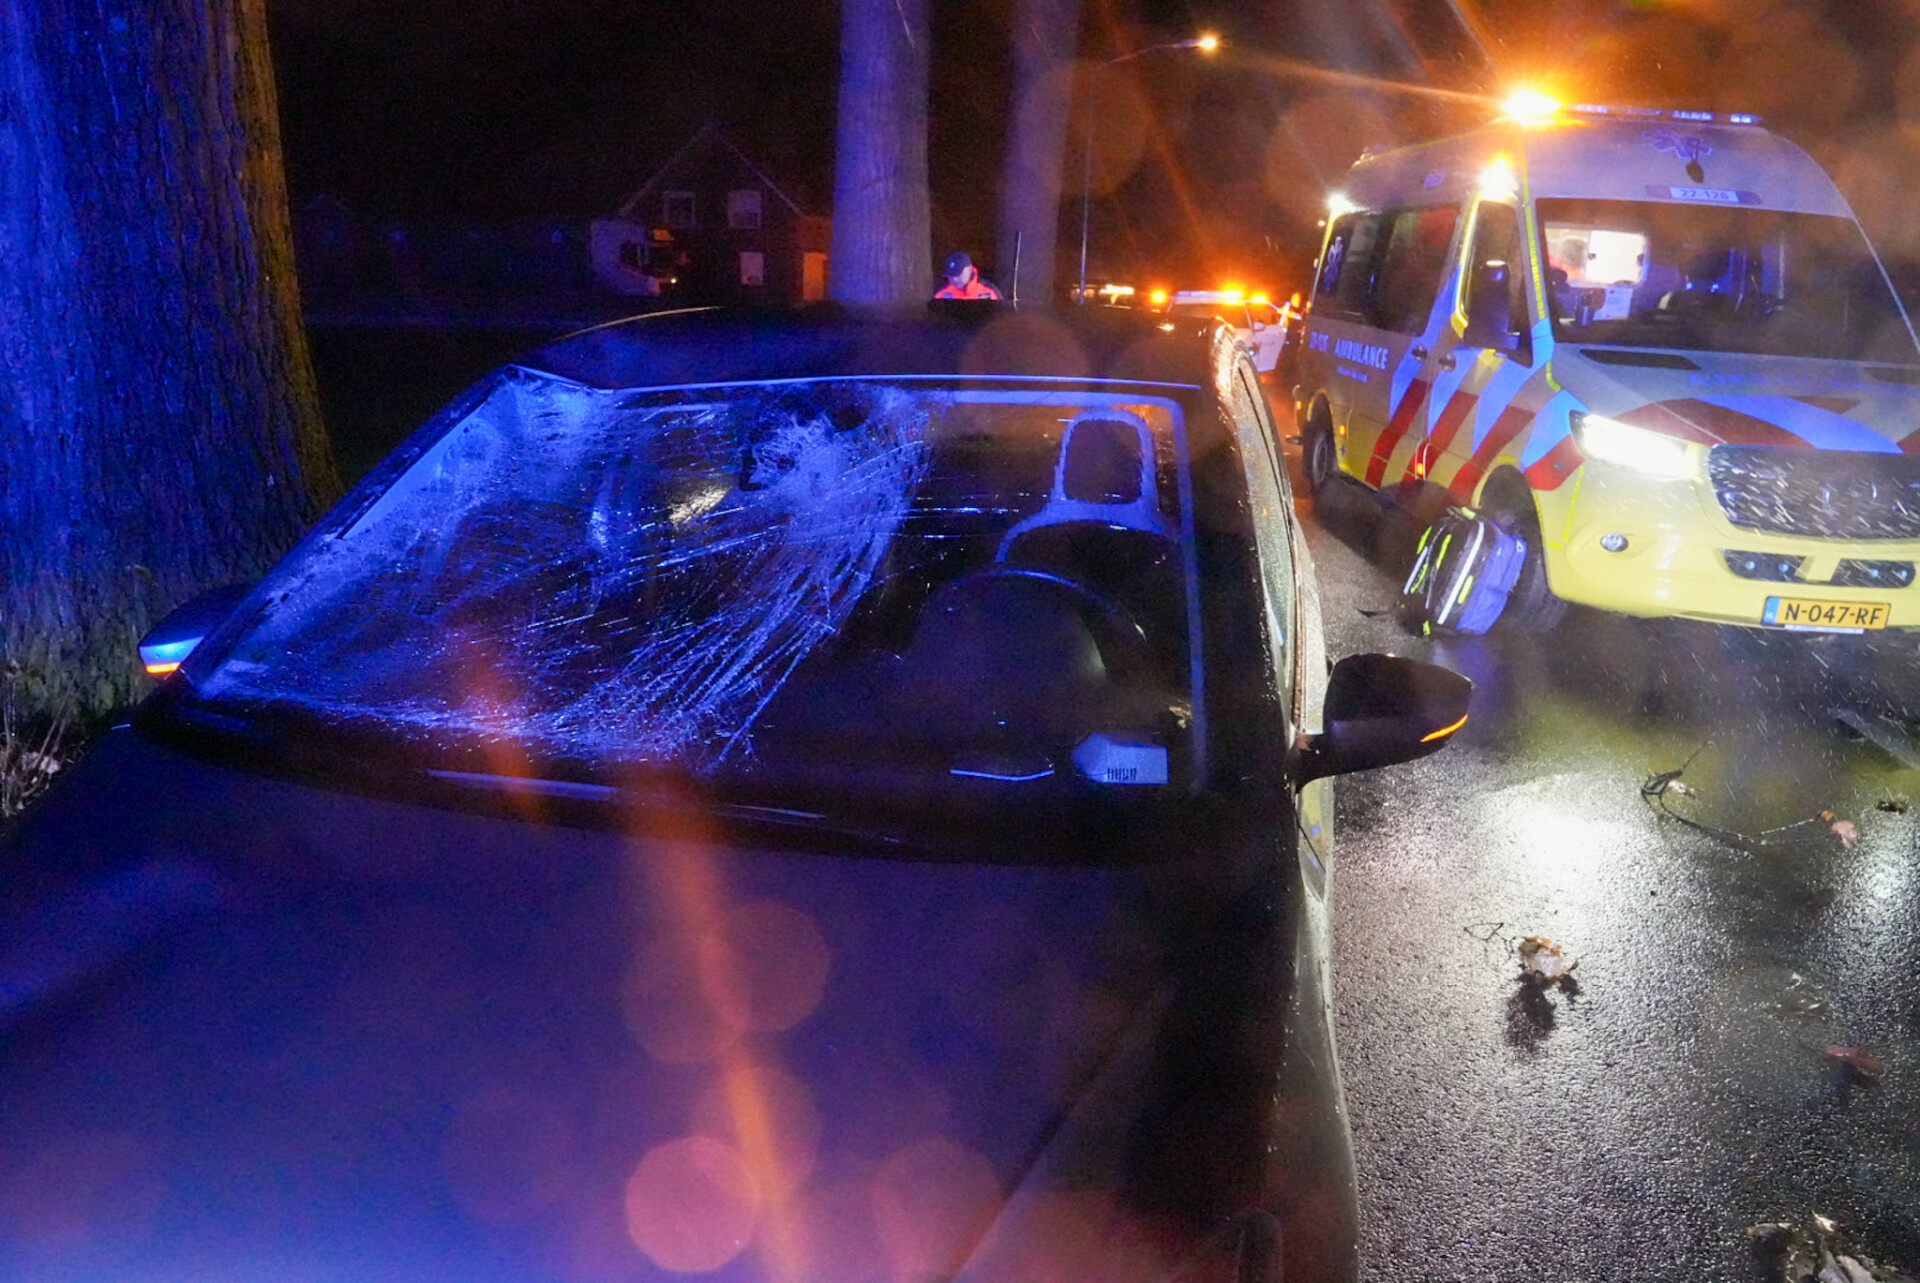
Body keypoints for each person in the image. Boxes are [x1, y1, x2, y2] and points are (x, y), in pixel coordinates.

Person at [935, 251, 1002, 300]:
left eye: (958, 274)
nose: (955, 279)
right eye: (951, 275)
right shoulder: (941, 294)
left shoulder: (989, 292)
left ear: (969, 269)